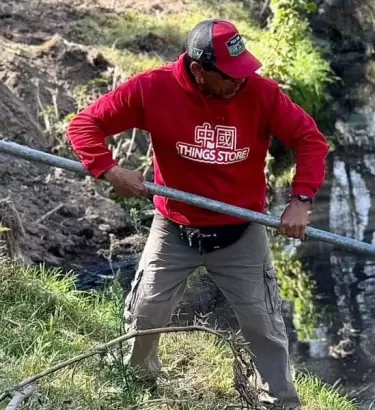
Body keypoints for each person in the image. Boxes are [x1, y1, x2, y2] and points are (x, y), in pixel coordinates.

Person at [66, 19, 329, 410]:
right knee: (145, 312)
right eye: (229, 75)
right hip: (175, 227)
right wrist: (109, 170)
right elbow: (86, 124)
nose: (240, 81)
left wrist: (301, 199)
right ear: (198, 69)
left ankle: (279, 402)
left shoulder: (261, 93)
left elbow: (310, 140)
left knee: (263, 324)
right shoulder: (153, 89)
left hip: (241, 230)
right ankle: (140, 383)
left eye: (244, 71)